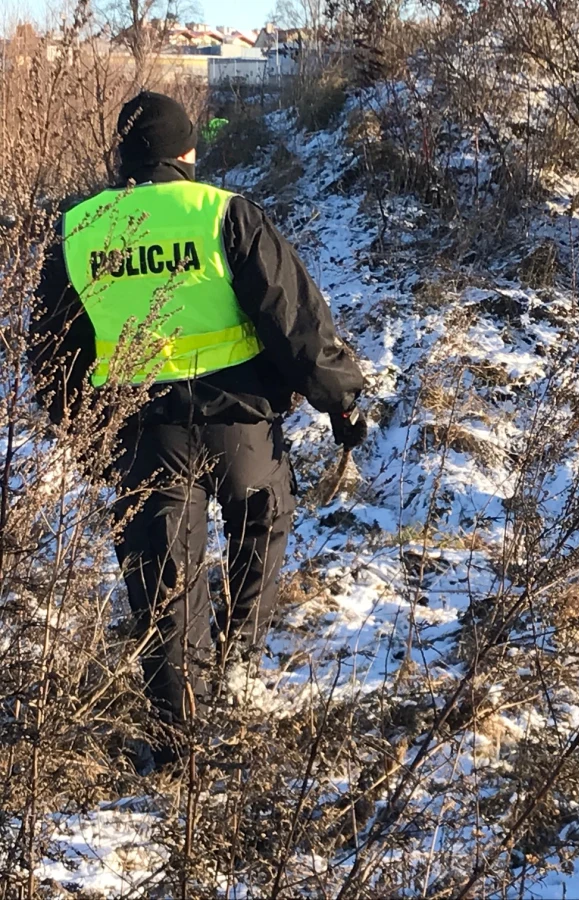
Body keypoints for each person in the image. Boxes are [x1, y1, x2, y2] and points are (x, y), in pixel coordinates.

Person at [30, 91, 368, 770]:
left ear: (120, 156)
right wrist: (342, 403)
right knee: (262, 521)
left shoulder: (79, 231)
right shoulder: (225, 213)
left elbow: (52, 352)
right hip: (243, 429)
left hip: (144, 435)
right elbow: (295, 320)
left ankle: (177, 740)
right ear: (186, 154)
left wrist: (88, 438)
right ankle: (239, 662)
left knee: (162, 587)